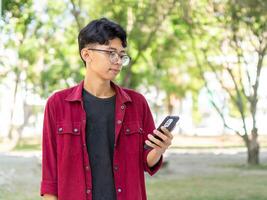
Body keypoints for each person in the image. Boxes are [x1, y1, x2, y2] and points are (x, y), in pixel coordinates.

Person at [40, 18, 174, 200]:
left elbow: (146, 161)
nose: (118, 61)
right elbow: (50, 176)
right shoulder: (58, 104)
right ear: (87, 55)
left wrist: (159, 149)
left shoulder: (137, 103)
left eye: (121, 55)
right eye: (111, 53)